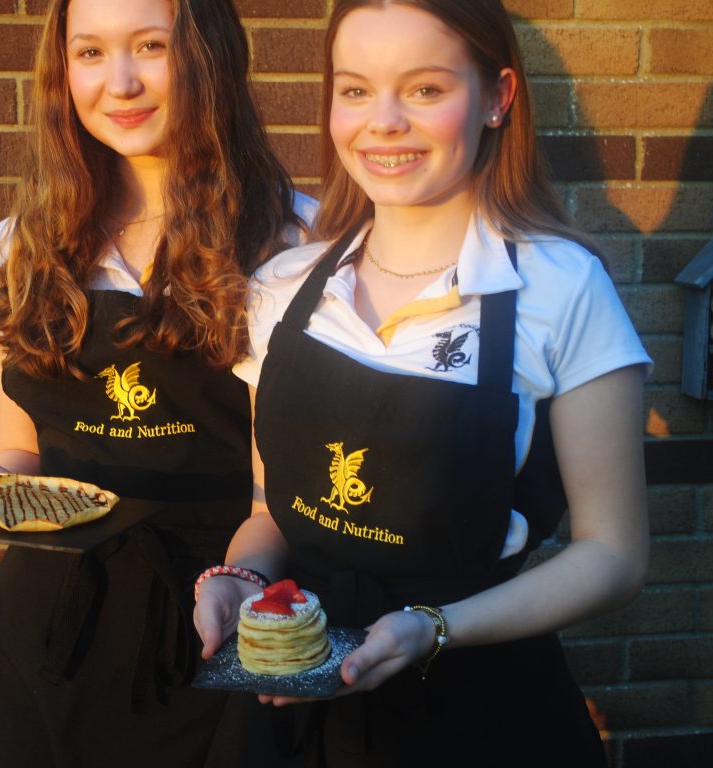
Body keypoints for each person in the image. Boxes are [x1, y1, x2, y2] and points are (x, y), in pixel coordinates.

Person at [194, 1, 651, 765]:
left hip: (478, 709)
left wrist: (432, 627)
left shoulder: (562, 289)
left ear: (499, 96)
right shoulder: (281, 289)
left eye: (426, 90)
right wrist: (243, 576)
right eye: (356, 90)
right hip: (291, 711)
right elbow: (275, 509)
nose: (384, 122)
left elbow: (614, 556)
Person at [0, 0, 315, 766]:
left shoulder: (295, 243)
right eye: (90, 53)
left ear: (208, 56)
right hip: (49, 625)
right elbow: (25, 457)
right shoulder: (21, 245)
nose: (120, 82)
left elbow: (281, 497)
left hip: (220, 612)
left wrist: (242, 584)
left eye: (151, 45)